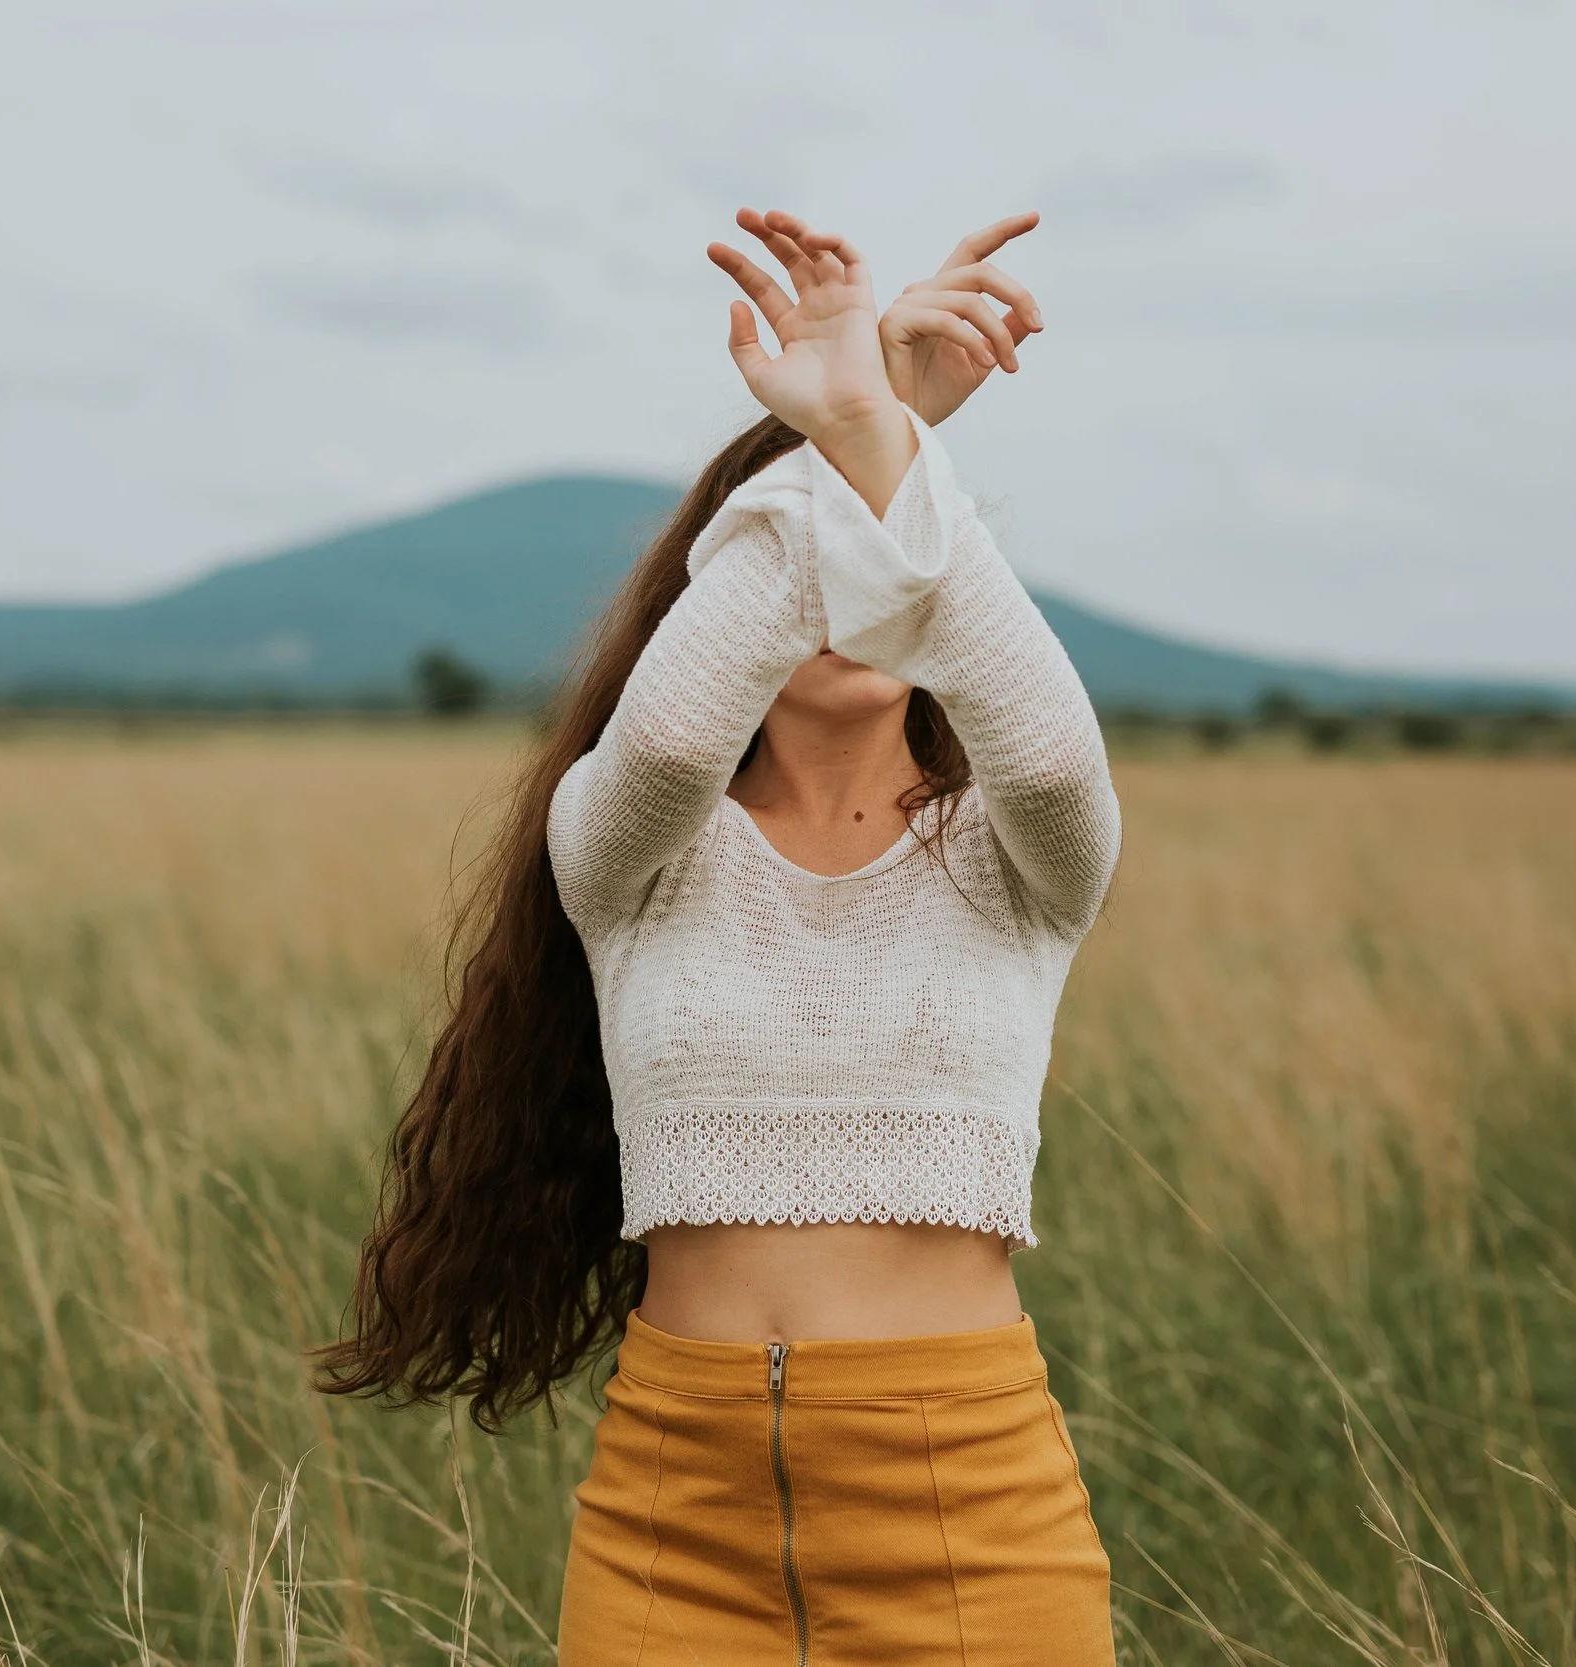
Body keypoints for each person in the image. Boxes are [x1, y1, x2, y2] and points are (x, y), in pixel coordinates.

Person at [317, 206, 1122, 1666]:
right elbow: (684, 720)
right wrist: (858, 440)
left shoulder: (1020, 852)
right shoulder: (627, 846)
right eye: (809, 560)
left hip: (964, 1497)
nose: (846, 592)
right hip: (673, 1505)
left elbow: (1060, 759)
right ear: (734, 585)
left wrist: (882, 431)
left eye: (884, 558)